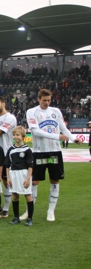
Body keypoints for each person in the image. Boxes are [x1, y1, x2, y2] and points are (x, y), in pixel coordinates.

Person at [25, 89, 80, 222]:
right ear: (38, 99)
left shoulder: (56, 111)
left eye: (49, 100)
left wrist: (73, 138)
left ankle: (51, 211)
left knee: (54, 180)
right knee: (35, 181)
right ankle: (29, 211)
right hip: (39, 152)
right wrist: (57, 136)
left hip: (55, 152)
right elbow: (36, 131)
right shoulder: (32, 112)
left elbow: (63, 128)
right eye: (44, 100)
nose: (47, 103)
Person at [6, 126, 35, 226]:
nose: (15, 137)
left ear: (23, 136)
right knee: (15, 196)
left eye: (17, 135)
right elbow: (7, 165)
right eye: (14, 135)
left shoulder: (27, 150)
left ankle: (30, 218)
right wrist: (8, 178)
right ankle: (16, 217)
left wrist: (28, 179)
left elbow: (30, 166)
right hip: (13, 173)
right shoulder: (11, 150)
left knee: (28, 196)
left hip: (23, 173)